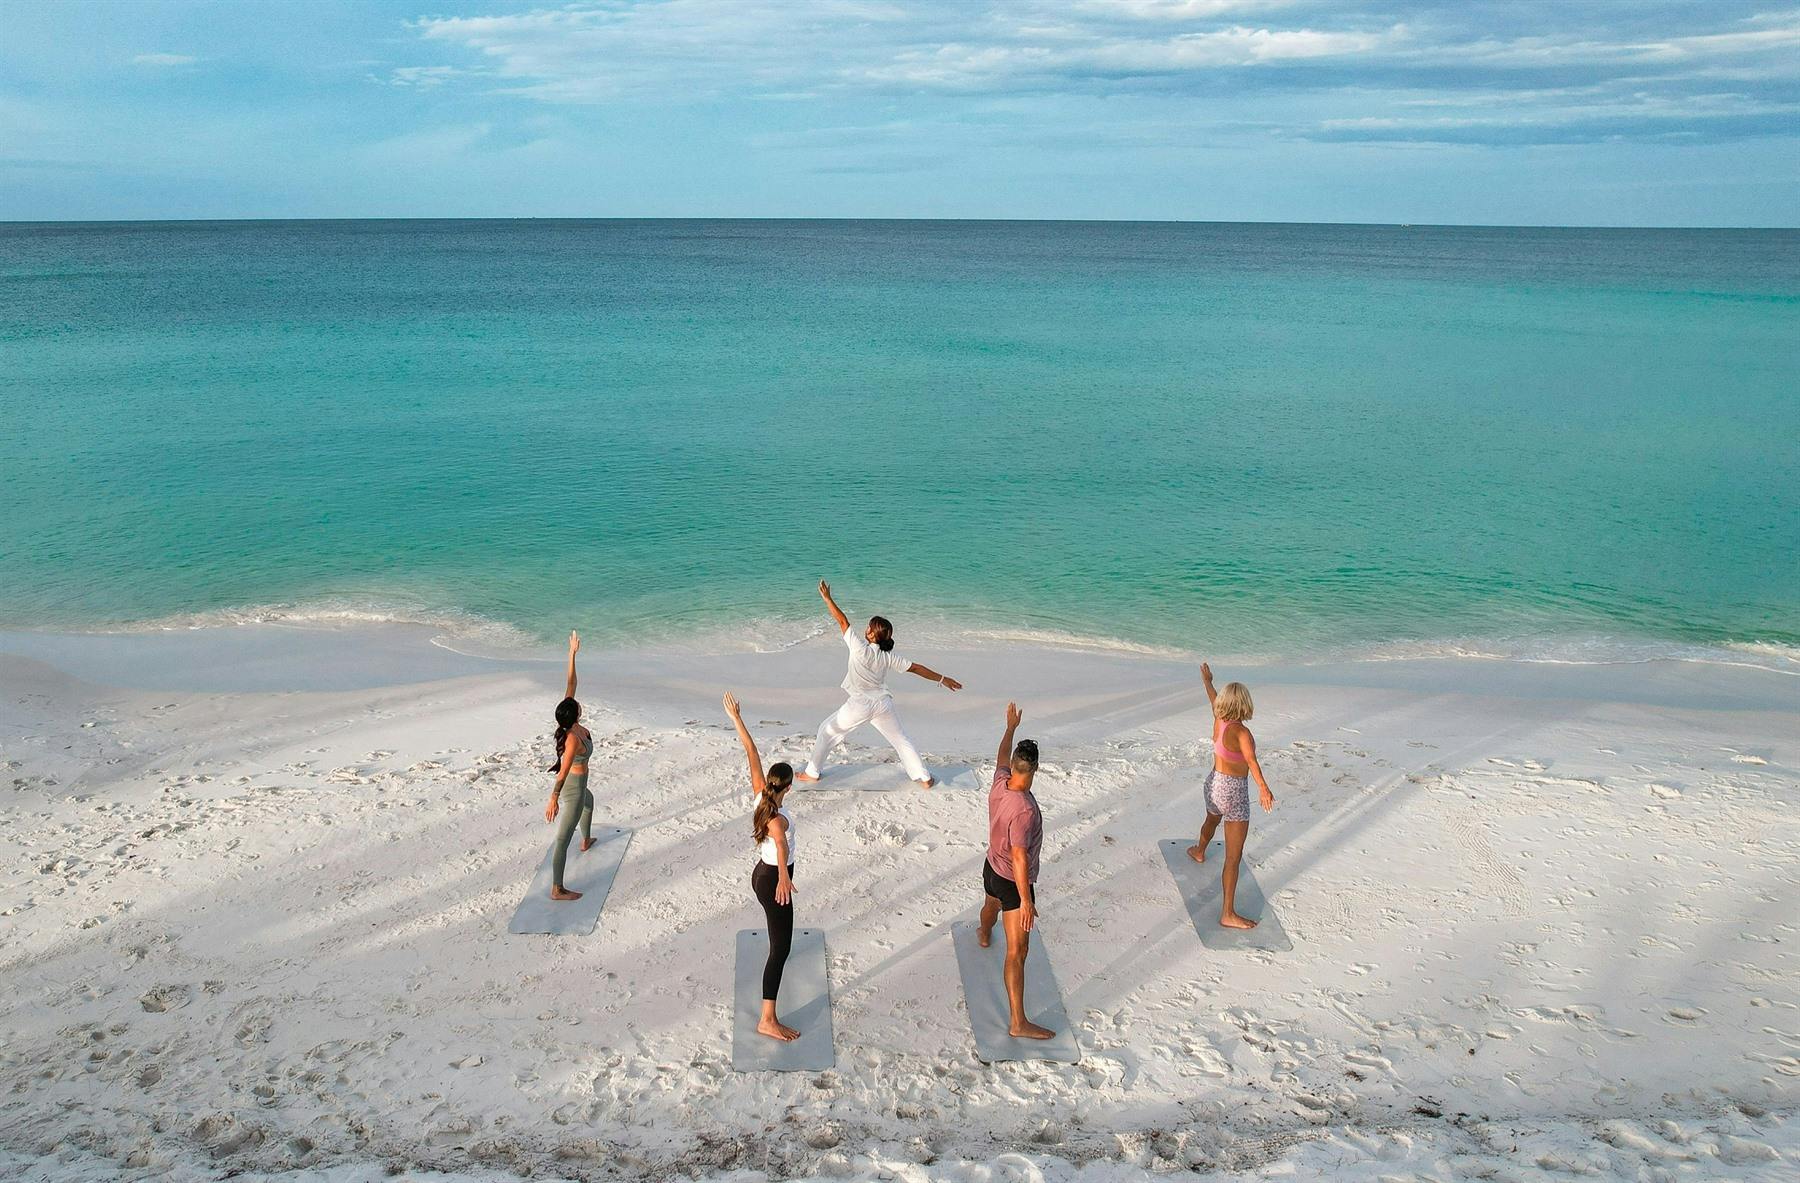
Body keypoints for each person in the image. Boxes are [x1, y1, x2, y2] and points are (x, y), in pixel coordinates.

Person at [795, 580, 961, 788]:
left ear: (873, 634)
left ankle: (812, 773)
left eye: (869, 627)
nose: (866, 628)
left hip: (860, 705)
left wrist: (828, 599)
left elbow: (842, 622)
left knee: (826, 731)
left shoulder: (858, 648)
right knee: (901, 740)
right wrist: (943, 679)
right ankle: (924, 778)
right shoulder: (888, 657)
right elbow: (917, 668)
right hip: (883, 705)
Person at [723, 690, 802, 1042]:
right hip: (772, 879)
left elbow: (751, 752)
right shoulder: (778, 819)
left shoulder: (761, 796)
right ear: (789, 785)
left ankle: (768, 1014)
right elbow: (781, 845)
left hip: (762, 874)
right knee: (779, 950)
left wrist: (737, 717)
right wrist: (785, 879)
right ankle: (767, 1019)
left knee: (779, 937)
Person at [976, 702, 1053, 1040]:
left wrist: (1010, 728)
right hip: (1011, 880)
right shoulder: (1024, 811)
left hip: (991, 866)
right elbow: (1020, 857)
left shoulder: (1000, 781)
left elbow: (1001, 756)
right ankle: (1018, 1022)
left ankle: (982, 933)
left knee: (989, 907)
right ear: (1034, 770)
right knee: (1017, 952)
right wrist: (1026, 901)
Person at [1186, 662, 1275, 929]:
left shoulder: (1219, 719)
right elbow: (1251, 761)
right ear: (1246, 704)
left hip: (1213, 784)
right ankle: (1228, 913)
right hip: (1234, 791)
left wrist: (1207, 681)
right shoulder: (1242, 733)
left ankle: (1199, 851)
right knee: (1233, 857)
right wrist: (1263, 788)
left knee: (1211, 820)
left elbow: (1214, 699)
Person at [543, 630, 597, 901]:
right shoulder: (573, 739)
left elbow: (571, 681)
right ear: (574, 713)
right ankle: (557, 888)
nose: (577, 702)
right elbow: (563, 773)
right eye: (576, 704)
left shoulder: (568, 720)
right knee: (563, 838)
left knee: (591, 802)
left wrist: (572, 653)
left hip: (582, 786)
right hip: (572, 789)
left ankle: (586, 840)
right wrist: (553, 799)